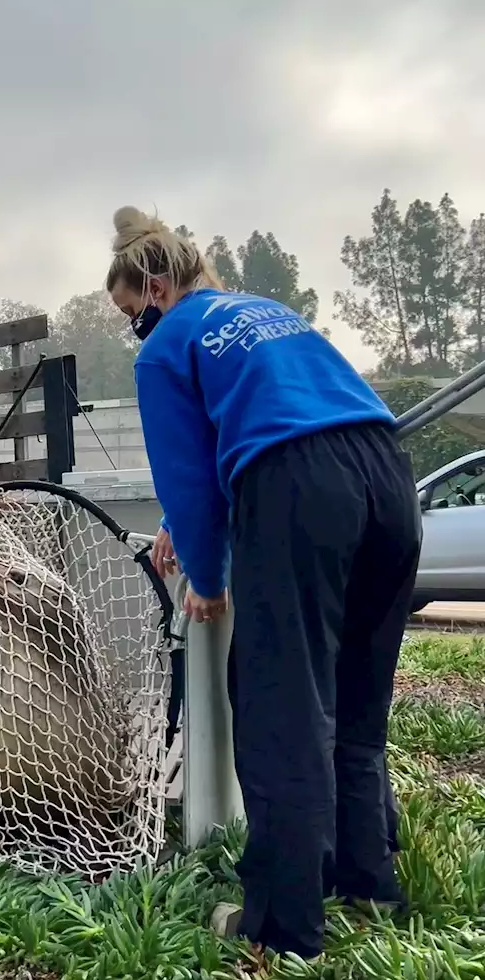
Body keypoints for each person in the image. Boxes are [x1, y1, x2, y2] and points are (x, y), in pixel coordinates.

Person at [105, 206, 419, 960]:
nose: (134, 332)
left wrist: (207, 579)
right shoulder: (263, 312)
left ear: (151, 289)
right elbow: (267, 419)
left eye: (130, 315)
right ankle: (368, 879)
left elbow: (185, 473)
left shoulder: (166, 347)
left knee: (281, 700)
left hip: (298, 488)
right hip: (386, 476)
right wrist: (193, 523)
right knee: (354, 698)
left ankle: (283, 924)